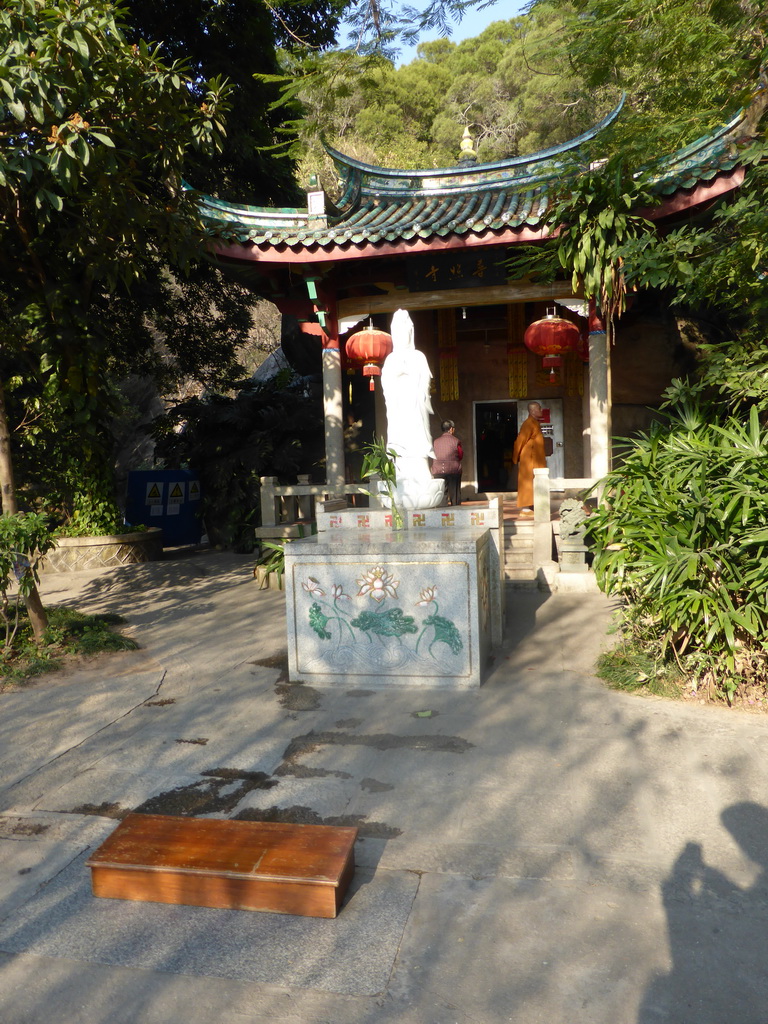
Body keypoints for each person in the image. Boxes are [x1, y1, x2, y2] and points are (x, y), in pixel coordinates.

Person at [512, 401, 547, 514]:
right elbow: (520, 440)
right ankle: (525, 507)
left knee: (536, 480)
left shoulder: (535, 422)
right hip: (529, 457)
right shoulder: (528, 423)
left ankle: (533, 504)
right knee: (527, 480)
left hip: (536, 456)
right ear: (532, 411)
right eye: (539, 409)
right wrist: (515, 457)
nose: (541, 411)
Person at [431, 420, 463, 506]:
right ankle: (456, 512)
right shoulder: (456, 441)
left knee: (441, 495)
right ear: (451, 429)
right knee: (455, 495)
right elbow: (460, 455)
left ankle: (441, 514)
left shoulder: (435, 441)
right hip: (453, 471)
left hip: (438, 471)